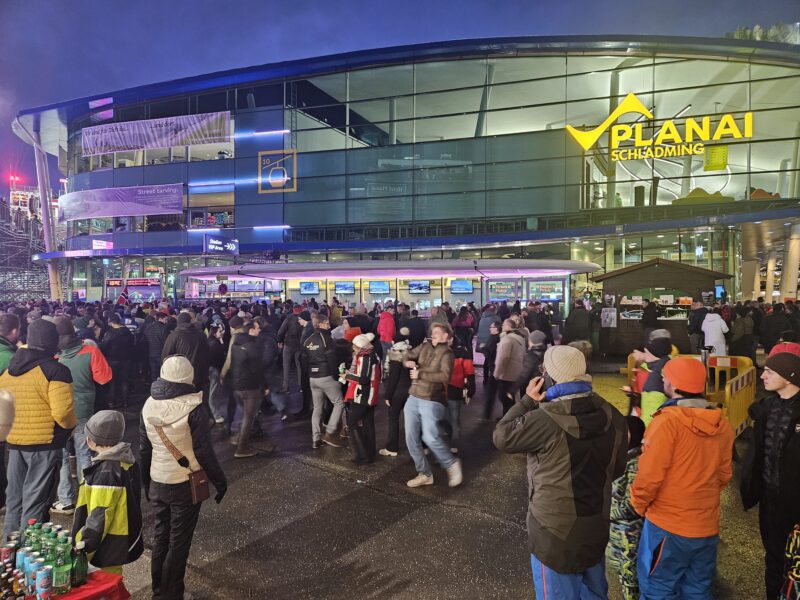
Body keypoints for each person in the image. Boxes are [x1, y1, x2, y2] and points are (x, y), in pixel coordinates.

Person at [493, 345, 627, 598]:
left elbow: (502, 436)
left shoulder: (545, 420)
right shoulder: (612, 414)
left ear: (549, 378)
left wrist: (529, 400)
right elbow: (617, 468)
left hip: (554, 533)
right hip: (596, 524)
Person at [631, 357, 733, 598]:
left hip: (668, 525)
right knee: (697, 589)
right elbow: (724, 474)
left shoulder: (666, 422)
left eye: (666, 377)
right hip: (706, 525)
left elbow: (650, 476)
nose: (663, 380)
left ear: (674, 385)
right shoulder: (721, 423)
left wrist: (638, 504)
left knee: (658, 588)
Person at [140, 356, 227, 600]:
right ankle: (173, 595)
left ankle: (158, 591)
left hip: (158, 479)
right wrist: (219, 481)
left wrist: (145, 482)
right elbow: (204, 452)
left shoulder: (148, 404)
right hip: (184, 484)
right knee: (179, 543)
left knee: (161, 537)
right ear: (188, 377)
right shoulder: (194, 407)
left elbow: (144, 448)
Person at [1, 318, 77, 539]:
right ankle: (28, 554)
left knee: (14, 499)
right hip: (44, 443)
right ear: (53, 342)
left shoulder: (8, 371)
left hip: (14, 443)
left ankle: (9, 551)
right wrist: (70, 426)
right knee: (36, 502)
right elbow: (63, 414)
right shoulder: (56, 371)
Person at [741, 351, 800, 599]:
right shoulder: (767, 407)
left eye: (770, 372)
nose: (762, 375)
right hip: (769, 499)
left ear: (789, 377)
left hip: (795, 503)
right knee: (773, 556)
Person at [52, 316, 112, 514]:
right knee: (84, 453)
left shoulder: (52, 355)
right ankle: (85, 499)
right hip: (84, 410)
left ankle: (65, 500)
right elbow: (105, 378)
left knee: (61, 457)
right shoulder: (90, 351)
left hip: (58, 411)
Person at [71, 410, 144, 574]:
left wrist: (82, 552)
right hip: (117, 542)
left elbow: (99, 518)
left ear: (90, 441)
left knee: (107, 587)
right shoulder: (124, 460)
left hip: (105, 548)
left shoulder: (106, 471)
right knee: (114, 583)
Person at [403, 322, 462, 488]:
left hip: (431, 399)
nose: (434, 334)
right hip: (413, 397)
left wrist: (420, 373)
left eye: (438, 332)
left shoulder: (447, 353)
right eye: (433, 331)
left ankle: (450, 464)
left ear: (446, 337)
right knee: (411, 439)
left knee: (429, 436)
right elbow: (408, 355)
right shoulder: (424, 346)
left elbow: (445, 376)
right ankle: (424, 473)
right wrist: (407, 361)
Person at [608, 415, 646, 600]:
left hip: (629, 540)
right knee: (626, 582)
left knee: (631, 586)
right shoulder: (624, 458)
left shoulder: (636, 464)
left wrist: (606, 513)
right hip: (620, 538)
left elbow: (633, 505)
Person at [230, 320, 275, 458]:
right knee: (248, 418)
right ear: (250, 330)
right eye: (257, 328)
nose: (259, 330)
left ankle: (237, 437)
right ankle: (241, 448)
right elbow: (257, 369)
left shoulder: (236, 343)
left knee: (244, 414)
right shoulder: (252, 346)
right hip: (249, 386)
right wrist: (265, 385)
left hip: (237, 385)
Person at [302, 315, 345, 449]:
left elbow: (303, 361)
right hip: (326, 376)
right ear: (321, 324)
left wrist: (310, 373)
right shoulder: (327, 339)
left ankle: (316, 439)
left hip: (313, 378)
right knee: (339, 403)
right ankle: (330, 432)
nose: (329, 326)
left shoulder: (307, 340)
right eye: (327, 324)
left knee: (317, 408)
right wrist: (336, 376)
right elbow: (332, 360)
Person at [343, 332, 381, 464]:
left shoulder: (365, 357)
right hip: (371, 395)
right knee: (368, 424)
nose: (353, 348)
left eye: (354, 346)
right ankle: (370, 454)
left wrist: (347, 376)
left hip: (362, 395)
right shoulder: (373, 355)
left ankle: (361, 454)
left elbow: (363, 379)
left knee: (352, 423)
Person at [161, 312, 210, 403]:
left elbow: (166, 356)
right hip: (199, 372)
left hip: (180, 373)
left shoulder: (174, 336)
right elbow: (207, 353)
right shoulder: (201, 334)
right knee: (198, 397)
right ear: (190, 321)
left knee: (183, 398)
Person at [627, 337, 672, 426]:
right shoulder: (662, 368)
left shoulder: (657, 375)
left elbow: (653, 409)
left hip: (652, 427)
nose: (645, 357)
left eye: (647, 352)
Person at [380, 332, 412, 457]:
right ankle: (421, 446)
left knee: (393, 418)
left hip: (398, 391)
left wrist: (387, 395)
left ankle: (392, 448)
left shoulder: (395, 353)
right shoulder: (411, 351)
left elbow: (393, 377)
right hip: (411, 389)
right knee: (414, 420)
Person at [444, 337, 475, 454]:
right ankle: (451, 441)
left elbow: (469, 372)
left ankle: (453, 444)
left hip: (453, 389)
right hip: (446, 389)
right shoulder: (461, 352)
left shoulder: (461, 352)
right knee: (449, 418)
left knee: (453, 418)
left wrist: (471, 390)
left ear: (451, 338)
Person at [493, 319, 527, 415]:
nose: (502, 326)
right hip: (516, 373)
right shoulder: (520, 339)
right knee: (510, 398)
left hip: (506, 374)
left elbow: (503, 358)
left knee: (504, 398)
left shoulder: (507, 339)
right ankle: (510, 417)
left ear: (508, 326)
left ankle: (507, 420)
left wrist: (497, 373)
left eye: (504, 325)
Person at [100, 314, 134, 407]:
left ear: (111, 322)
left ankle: (112, 402)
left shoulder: (110, 333)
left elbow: (104, 346)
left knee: (113, 382)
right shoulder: (128, 332)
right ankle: (125, 401)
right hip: (126, 359)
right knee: (124, 381)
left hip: (112, 360)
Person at [277, 308, 303, 394]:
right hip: (299, 345)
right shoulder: (303, 319)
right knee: (299, 366)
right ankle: (301, 386)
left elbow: (281, 331)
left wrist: (279, 341)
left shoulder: (288, 319)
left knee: (286, 366)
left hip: (288, 344)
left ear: (293, 310)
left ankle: (286, 387)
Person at [207, 324, 228, 425]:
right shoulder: (215, 344)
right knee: (213, 393)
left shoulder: (211, 341)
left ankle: (214, 413)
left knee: (214, 392)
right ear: (215, 333)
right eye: (220, 331)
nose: (222, 333)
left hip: (211, 369)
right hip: (214, 370)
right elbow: (220, 358)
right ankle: (216, 415)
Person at [481, 321, 501, 421]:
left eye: (491, 327)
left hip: (495, 369)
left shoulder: (495, 339)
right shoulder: (494, 337)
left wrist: (483, 348)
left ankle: (487, 414)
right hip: (494, 368)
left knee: (492, 392)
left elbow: (490, 353)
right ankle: (487, 414)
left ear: (496, 328)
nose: (489, 328)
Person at [142, 311, 169, 384]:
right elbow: (166, 342)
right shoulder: (164, 328)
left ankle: (154, 390)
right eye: (165, 319)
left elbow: (144, 341)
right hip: (161, 354)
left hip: (151, 354)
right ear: (160, 319)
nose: (166, 321)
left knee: (154, 374)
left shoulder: (149, 327)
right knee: (163, 374)